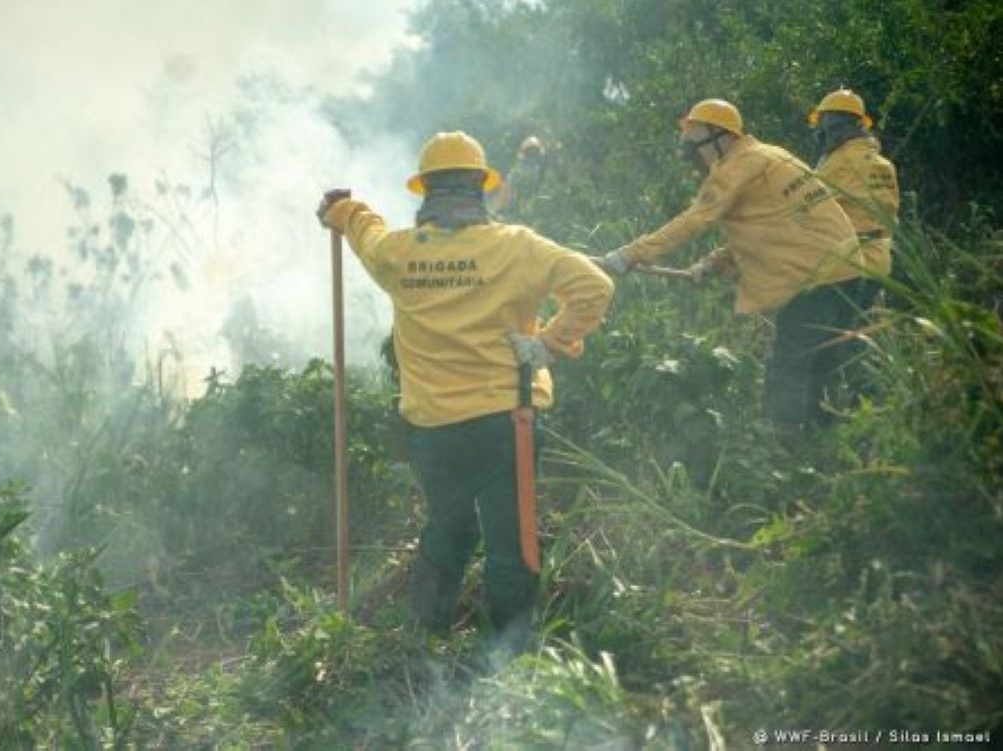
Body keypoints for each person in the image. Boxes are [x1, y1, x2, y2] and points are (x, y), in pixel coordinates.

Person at [317, 131, 612, 653]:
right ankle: (509, 655)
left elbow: (365, 229)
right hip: (507, 423)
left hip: (433, 431)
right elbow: (594, 287)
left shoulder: (398, 254)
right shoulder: (517, 247)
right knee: (511, 539)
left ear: (426, 193)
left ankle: (423, 640)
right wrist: (548, 345)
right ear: (480, 189)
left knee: (448, 529)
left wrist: (342, 208)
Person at [594, 99, 865, 437]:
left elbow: (695, 219)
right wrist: (713, 262)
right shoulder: (772, 155)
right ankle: (822, 448)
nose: (694, 156)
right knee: (820, 367)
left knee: (789, 366)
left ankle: (779, 450)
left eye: (694, 144)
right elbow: (775, 223)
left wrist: (629, 255)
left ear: (718, 136)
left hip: (816, 276)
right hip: (848, 270)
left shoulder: (738, 165)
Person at [808, 87, 900, 309]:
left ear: (834, 126)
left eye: (823, 128)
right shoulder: (884, 165)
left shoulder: (837, 163)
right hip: (879, 263)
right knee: (865, 337)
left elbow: (804, 212)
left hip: (845, 268)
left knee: (829, 340)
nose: (821, 136)